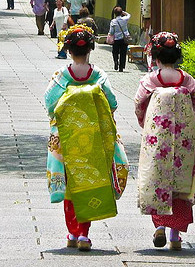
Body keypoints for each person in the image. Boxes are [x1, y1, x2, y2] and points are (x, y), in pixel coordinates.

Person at [44, 25, 128, 252]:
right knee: (87, 181)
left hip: (66, 138)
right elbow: (112, 102)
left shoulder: (61, 76)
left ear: (68, 50)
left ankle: (72, 232)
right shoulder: (98, 75)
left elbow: (50, 103)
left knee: (71, 185)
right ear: (90, 49)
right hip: (92, 138)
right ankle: (84, 234)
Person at [134, 32, 195, 252]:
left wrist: (146, 122)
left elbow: (139, 103)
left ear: (155, 56)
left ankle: (160, 226)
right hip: (184, 138)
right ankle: (175, 236)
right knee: (180, 181)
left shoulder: (151, 80)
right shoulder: (187, 80)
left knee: (158, 178)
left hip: (158, 137)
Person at [107, 7, 131, 72]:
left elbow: (111, 32)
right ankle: (121, 67)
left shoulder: (113, 21)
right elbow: (129, 15)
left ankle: (115, 62)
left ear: (114, 13)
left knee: (115, 52)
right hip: (124, 38)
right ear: (121, 13)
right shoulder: (125, 19)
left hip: (116, 39)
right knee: (123, 53)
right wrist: (124, 12)